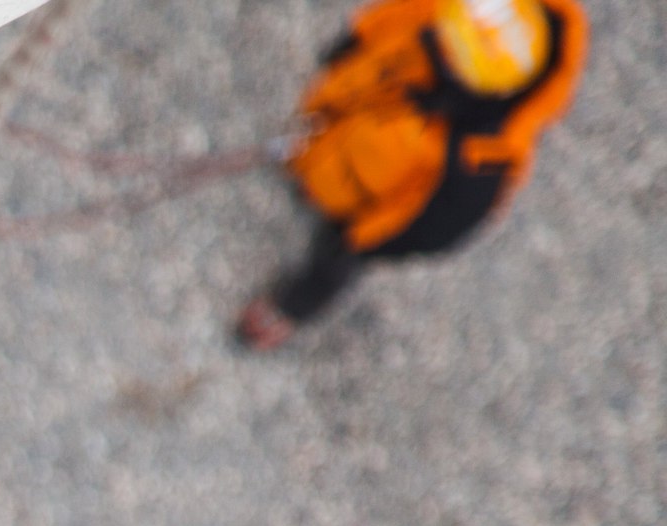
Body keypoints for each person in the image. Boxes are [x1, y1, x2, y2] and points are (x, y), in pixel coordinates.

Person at [237, 0, 584, 350]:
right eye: (446, 38)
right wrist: (345, 48)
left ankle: (290, 308)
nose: (443, 51)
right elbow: (389, 18)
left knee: (335, 260)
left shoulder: (480, 161)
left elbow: (436, 227)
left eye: (457, 59)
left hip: (367, 204)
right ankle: (307, 166)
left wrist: (361, 242)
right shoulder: (445, 16)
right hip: (342, 120)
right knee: (314, 138)